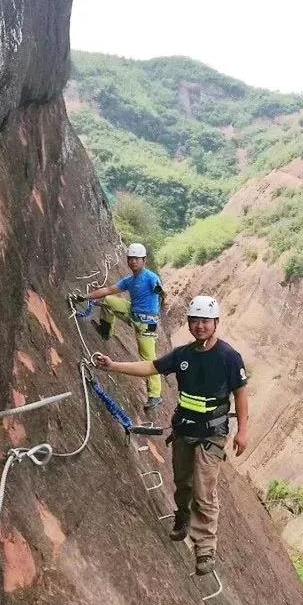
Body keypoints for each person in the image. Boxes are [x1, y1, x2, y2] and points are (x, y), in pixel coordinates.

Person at [95, 295, 249, 575]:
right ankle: (182, 517)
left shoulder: (229, 357)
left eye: (205, 321)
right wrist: (112, 365)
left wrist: (243, 432)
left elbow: (240, 393)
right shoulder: (183, 355)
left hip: (212, 435)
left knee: (204, 491)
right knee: (182, 483)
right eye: (195, 321)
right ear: (189, 323)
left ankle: (204, 547)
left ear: (215, 323)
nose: (200, 326)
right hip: (183, 431)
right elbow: (151, 367)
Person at [79, 242, 164, 411]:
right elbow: (109, 290)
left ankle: (155, 395)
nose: (133, 262)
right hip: (132, 314)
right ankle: (106, 330)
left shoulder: (150, 278)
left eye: (136, 259)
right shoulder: (129, 281)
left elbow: (159, 290)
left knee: (148, 359)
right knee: (108, 300)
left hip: (146, 325)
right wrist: (85, 297)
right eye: (130, 258)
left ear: (144, 260)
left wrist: (159, 292)